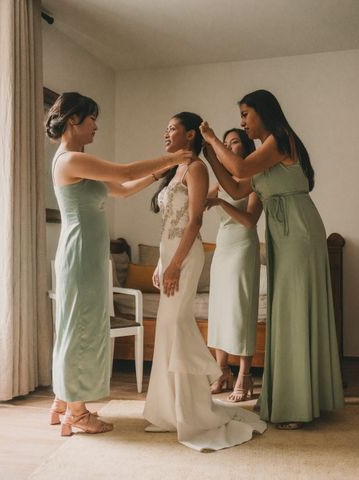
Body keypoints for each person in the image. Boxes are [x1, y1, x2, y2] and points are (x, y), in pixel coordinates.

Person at [45, 92, 194, 436]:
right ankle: (78, 413)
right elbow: (125, 170)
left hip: (84, 255)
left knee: (75, 327)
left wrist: (164, 170)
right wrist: (167, 157)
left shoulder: (78, 160)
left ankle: (63, 402)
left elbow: (123, 188)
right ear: (73, 121)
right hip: (80, 255)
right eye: (92, 118)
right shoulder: (69, 160)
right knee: (81, 329)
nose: (96, 125)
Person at [200, 89, 344, 429]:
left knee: (294, 311)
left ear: (264, 113)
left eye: (246, 115)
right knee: (286, 312)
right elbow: (236, 188)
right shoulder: (266, 154)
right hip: (282, 234)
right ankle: (296, 397)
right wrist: (210, 155)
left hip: (298, 229)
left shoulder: (279, 140)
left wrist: (210, 137)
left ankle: (297, 404)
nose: (243, 123)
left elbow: (239, 165)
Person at [143, 112, 266, 451]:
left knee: (177, 323)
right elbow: (169, 221)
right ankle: (170, 409)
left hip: (186, 255)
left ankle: (192, 409)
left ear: (190, 135)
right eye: (165, 128)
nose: (166, 133)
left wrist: (175, 264)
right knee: (168, 329)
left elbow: (194, 221)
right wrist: (160, 261)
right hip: (170, 254)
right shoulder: (175, 169)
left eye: (172, 128)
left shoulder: (197, 168)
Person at [203, 128, 263, 402]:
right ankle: (221, 370)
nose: (228, 146)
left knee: (240, 309)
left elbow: (250, 220)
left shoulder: (256, 178)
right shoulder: (222, 181)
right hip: (222, 248)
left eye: (234, 142)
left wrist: (219, 202)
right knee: (219, 309)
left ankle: (245, 374)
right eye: (224, 143)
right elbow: (199, 198)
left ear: (246, 147)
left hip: (242, 246)